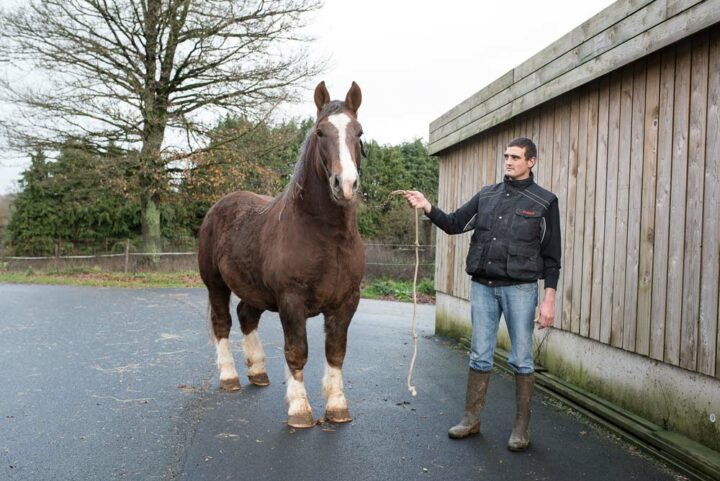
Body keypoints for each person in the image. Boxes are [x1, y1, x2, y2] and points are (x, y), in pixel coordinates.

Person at [404, 137, 560, 451]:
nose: (509, 161)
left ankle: (521, 429)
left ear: (531, 162)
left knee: (521, 359)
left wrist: (548, 299)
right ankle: (471, 420)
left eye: (515, 157)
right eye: (506, 156)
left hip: (520, 290)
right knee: (479, 354)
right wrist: (427, 206)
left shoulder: (545, 201)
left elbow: (552, 255)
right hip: (483, 289)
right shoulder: (487, 195)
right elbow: (453, 223)